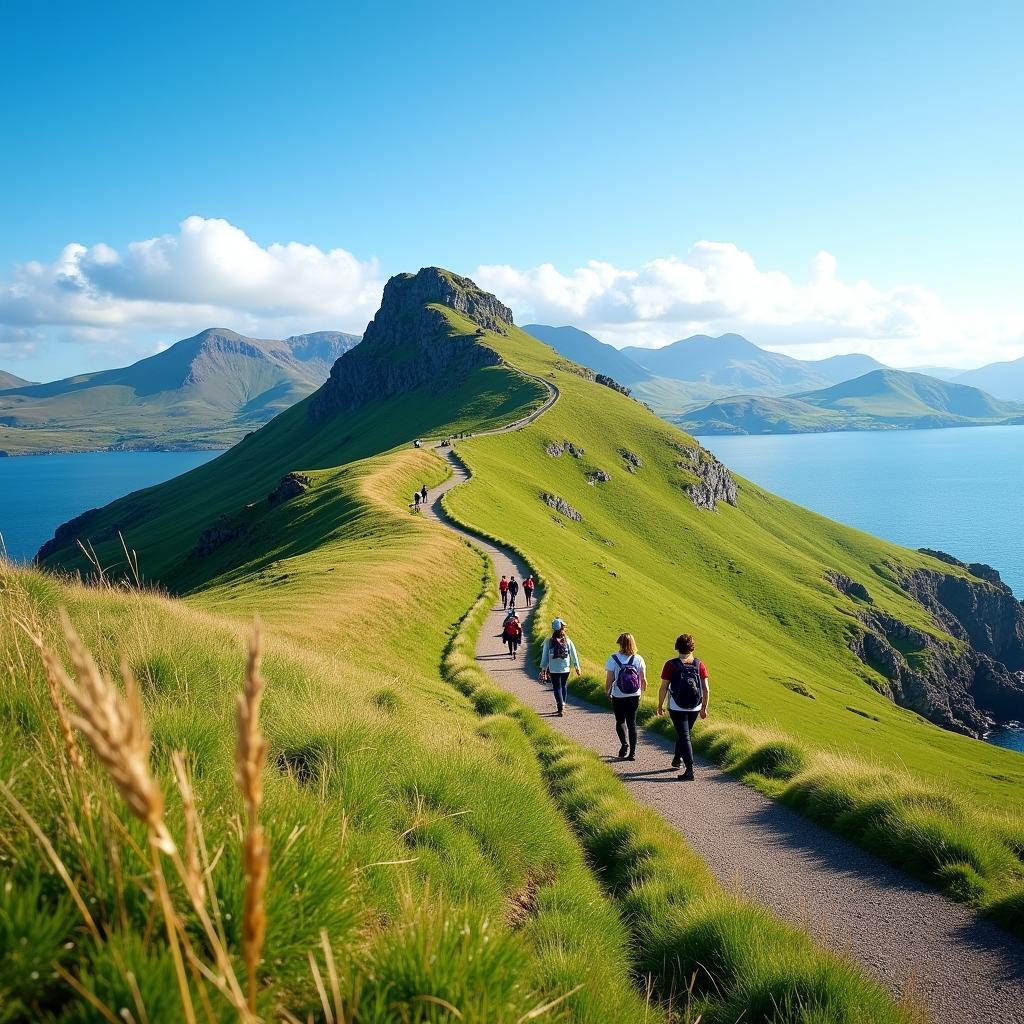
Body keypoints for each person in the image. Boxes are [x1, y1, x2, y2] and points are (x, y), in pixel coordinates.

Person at [657, 634, 710, 781]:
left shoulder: (671, 664)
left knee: (684, 735)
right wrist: (704, 707)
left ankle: (690, 770)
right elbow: (706, 689)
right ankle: (676, 759)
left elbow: (663, 688)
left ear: (677, 647)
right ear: (692, 647)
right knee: (684, 734)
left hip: (676, 706)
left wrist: (660, 705)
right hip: (695, 706)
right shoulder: (700, 664)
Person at [604, 633, 647, 760]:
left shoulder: (613, 658)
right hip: (634, 695)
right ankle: (632, 753)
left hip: (618, 694)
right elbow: (643, 679)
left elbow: (609, 679)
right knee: (632, 723)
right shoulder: (638, 659)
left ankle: (624, 744)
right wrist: (640, 691)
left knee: (620, 721)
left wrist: (607, 691)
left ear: (620, 644)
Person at [540, 617, 580, 716]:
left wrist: (543, 669)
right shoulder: (568, 641)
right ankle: (563, 704)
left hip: (554, 669)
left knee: (557, 687)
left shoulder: (548, 641)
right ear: (562, 628)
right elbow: (573, 654)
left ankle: (560, 707)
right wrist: (577, 666)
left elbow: (545, 656)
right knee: (564, 685)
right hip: (565, 668)